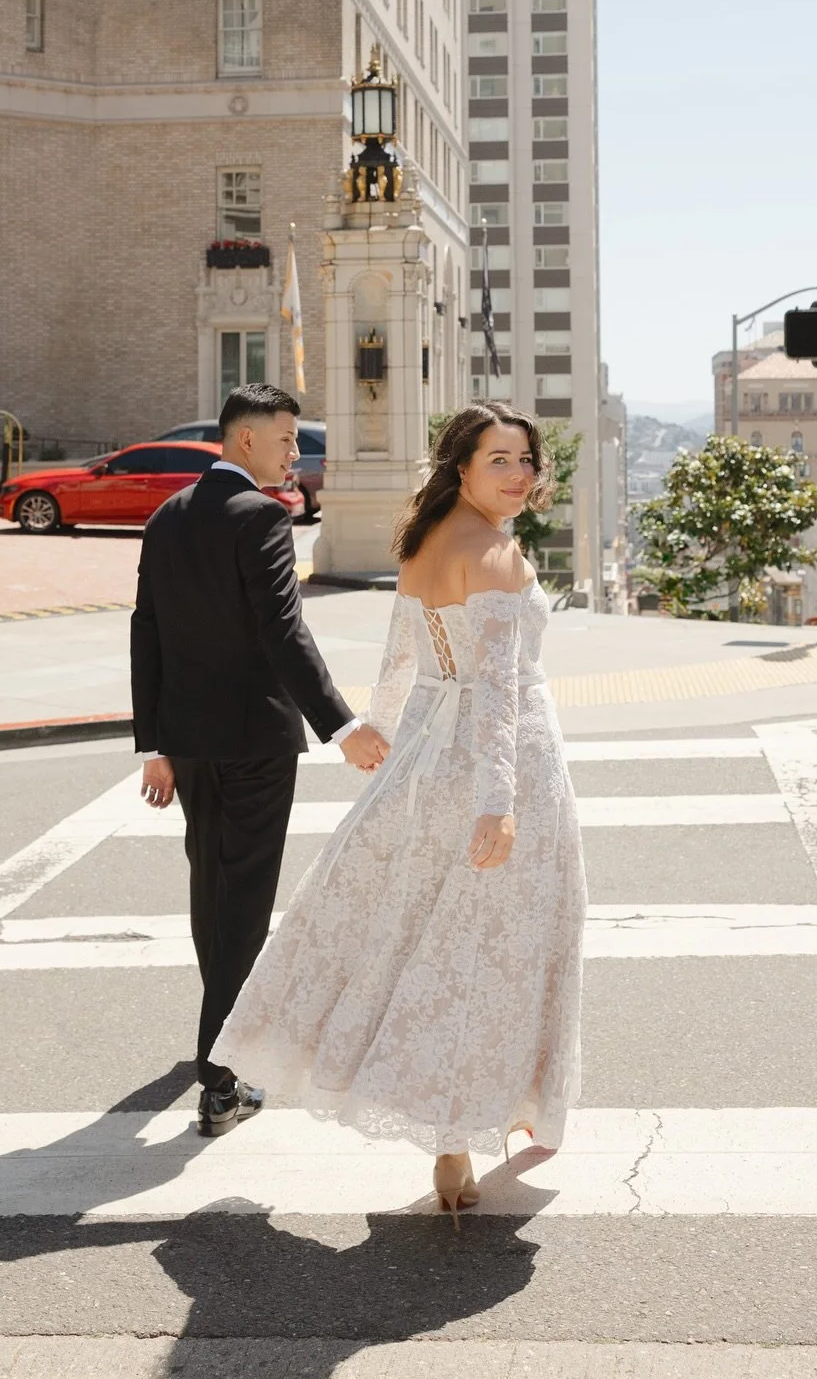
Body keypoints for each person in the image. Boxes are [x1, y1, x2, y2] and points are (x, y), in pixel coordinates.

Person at [212, 402, 587, 1224]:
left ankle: (469, 1123)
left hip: (431, 754)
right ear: (461, 467)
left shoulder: (428, 539)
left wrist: (384, 729)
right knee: (497, 947)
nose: (520, 474)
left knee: (431, 939)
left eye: (527, 459)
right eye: (500, 460)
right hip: (502, 762)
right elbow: (494, 694)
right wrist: (500, 805)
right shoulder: (489, 551)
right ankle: (474, 1121)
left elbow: (405, 654)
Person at [131, 382, 389, 1137]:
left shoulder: (167, 517)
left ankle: (221, 1040)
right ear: (245, 441)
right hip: (252, 746)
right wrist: (343, 728)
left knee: (212, 896)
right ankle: (220, 1081)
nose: (294, 455)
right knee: (241, 909)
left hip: (191, 747)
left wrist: (156, 747)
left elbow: (147, 635)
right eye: (286, 440)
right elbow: (285, 634)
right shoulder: (261, 519)